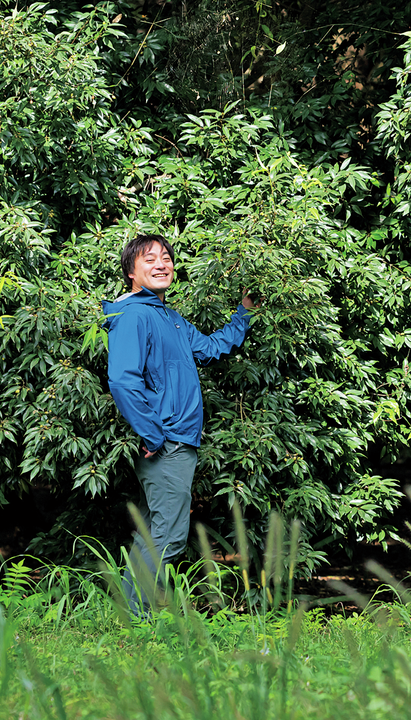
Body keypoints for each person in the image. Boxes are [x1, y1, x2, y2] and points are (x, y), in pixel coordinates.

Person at [103, 233, 252, 610]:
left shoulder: (169, 317)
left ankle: (128, 614)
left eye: (166, 257)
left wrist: (245, 312)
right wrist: (152, 434)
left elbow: (211, 348)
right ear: (131, 272)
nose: (161, 264)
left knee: (153, 533)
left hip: (178, 440)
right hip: (166, 442)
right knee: (169, 535)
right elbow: (122, 378)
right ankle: (139, 621)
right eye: (149, 259)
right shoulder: (134, 315)